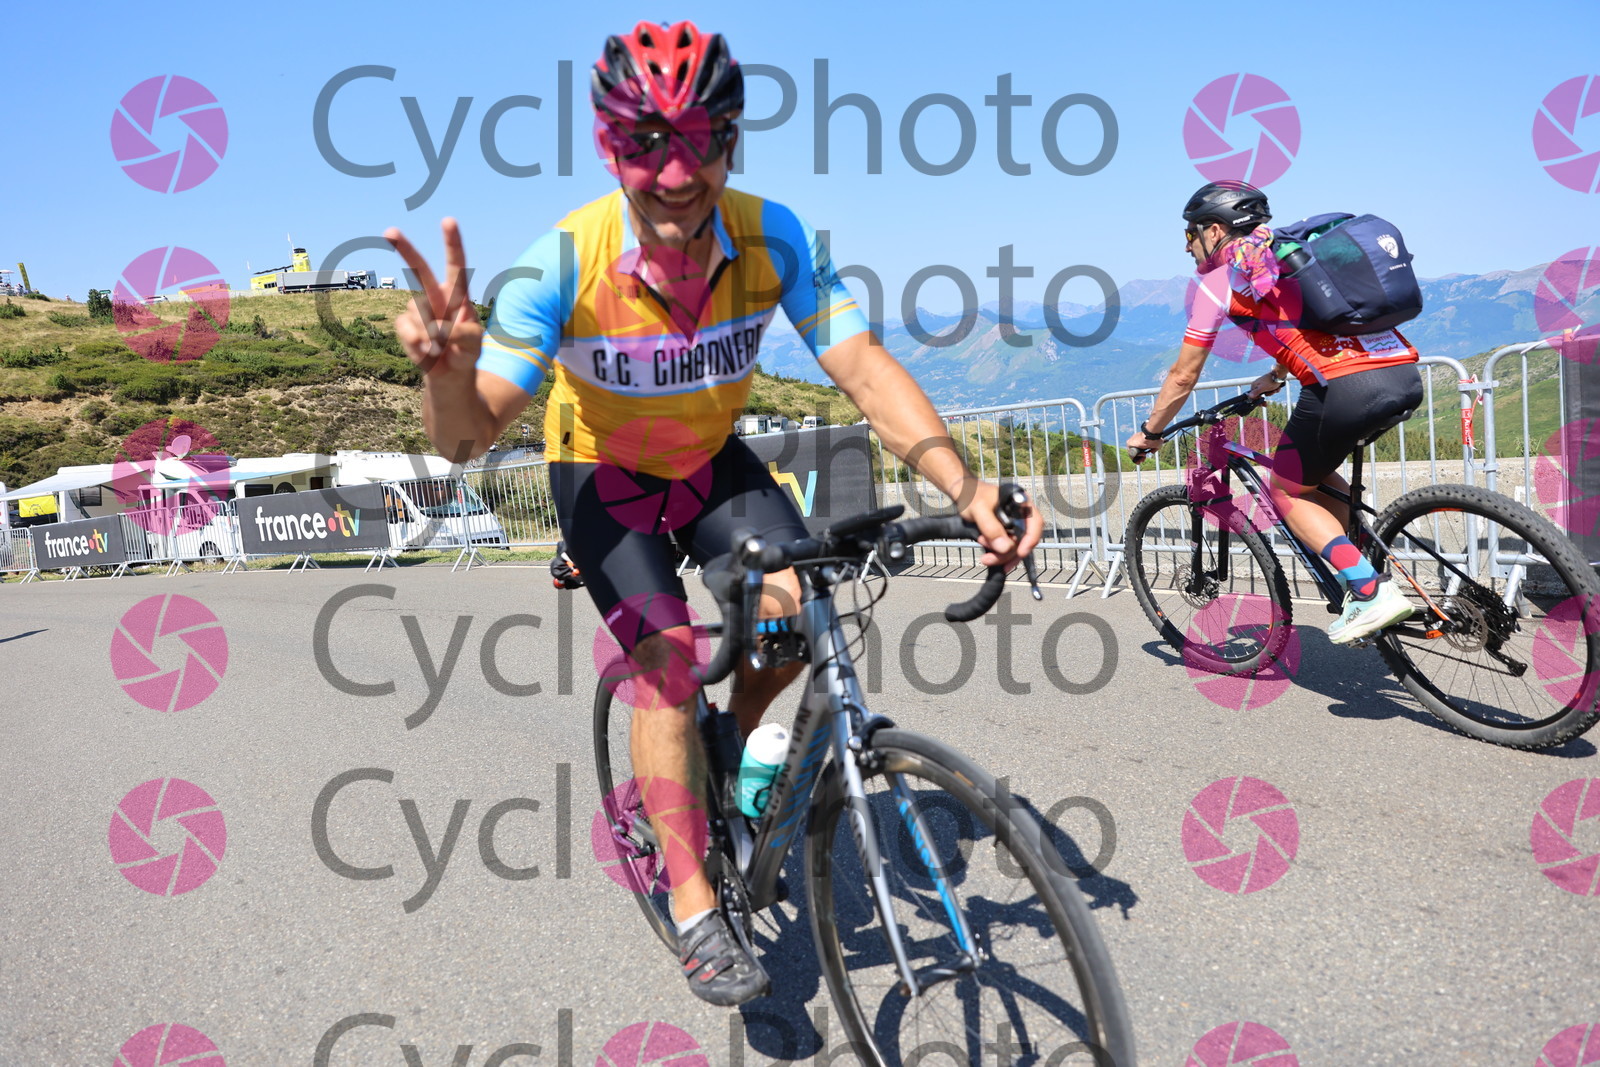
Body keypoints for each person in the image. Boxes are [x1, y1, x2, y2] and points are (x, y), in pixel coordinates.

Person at [384, 20, 1041, 1007]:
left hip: (707, 460)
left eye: (700, 139)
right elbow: (467, 437)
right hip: (603, 473)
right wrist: (446, 375)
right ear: (608, 146)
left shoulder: (773, 236)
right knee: (666, 665)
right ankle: (694, 904)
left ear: (732, 140)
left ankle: (731, 740)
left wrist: (966, 487)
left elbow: (863, 368)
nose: (675, 171)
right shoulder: (559, 265)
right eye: (644, 142)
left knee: (797, 604)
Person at [1125, 179, 1423, 645]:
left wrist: (1150, 431)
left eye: (1189, 234)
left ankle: (1369, 590)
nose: (1186, 246)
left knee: (1284, 491)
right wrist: (1277, 374)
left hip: (1343, 390)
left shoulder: (1221, 282)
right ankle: (1363, 556)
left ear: (1214, 229)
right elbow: (1309, 321)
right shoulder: (1290, 259)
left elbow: (1183, 376)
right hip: (1403, 374)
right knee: (1313, 475)